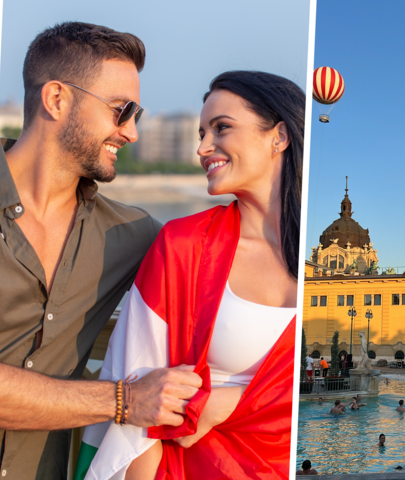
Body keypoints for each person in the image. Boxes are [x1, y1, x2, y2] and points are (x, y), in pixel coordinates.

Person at [0, 23, 203, 480]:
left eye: (136, 115)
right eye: (122, 111)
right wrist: (123, 400)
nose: (132, 132)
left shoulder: (135, 234)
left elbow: (226, 269)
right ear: (56, 99)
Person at [86, 69, 304, 480]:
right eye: (201, 133)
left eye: (221, 128)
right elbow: (138, 415)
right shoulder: (183, 245)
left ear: (279, 136)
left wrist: (230, 402)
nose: (203, 148)